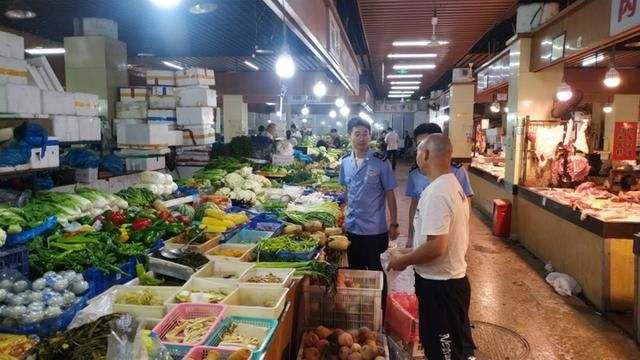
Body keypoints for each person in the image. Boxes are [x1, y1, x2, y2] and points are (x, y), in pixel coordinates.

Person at [388, 134, 473, 360]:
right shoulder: (451, 184)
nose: (416, 155)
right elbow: (436, 240)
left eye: (418, 151)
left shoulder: (438, 192)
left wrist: (402, 261)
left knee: (443, 352)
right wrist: (408, 251)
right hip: (447, 283)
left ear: (425, 154)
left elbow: (437, 247)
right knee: (440, 346)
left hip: (441, 288)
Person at [340, 118, 399, 308]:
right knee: (355, 272)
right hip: (352, 228)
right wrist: (344, 214)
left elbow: (390, 194)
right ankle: (359, 307)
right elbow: (346, 191)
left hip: (374, 229)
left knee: (375, 271)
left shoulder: (381, 162)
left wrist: (394, 223)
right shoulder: (345, 162)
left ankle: (380, 310)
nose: (361, 138)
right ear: (349, 136)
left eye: (365, 133)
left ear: (370, 135)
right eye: (357, 134)